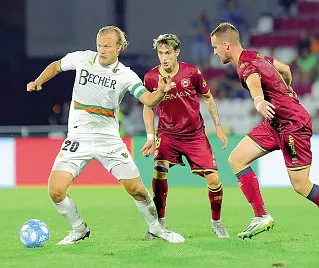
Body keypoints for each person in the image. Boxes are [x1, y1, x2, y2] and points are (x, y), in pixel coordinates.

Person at [26, 26, 185, 245]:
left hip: (108, 140)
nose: (102, 50)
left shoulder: (125, 75)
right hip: (77, 138)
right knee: (55, 191)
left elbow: (148, 100)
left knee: (136, 189)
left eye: (108, 46)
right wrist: (38, 81)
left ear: (119, 47)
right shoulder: (82, 59)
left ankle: (157, 228)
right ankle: (78, 228)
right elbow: (56, 66)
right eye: (100, 45)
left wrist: (161, 92)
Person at [210, 22, 319, 239]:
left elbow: (254, 82)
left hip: (291, 124)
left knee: (301, 185)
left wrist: (259, 101)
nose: (215, 52)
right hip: (275, 122)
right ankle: (261, 216)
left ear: (226, 45)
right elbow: (285, 69)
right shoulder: (255, 55)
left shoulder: (245, 65)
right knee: (236, 159)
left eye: (216, 47)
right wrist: (288, 90)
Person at [141, 33, 230, 239]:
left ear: (177, 52)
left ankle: (216, 222)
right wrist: (150, 136)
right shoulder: (151, 77)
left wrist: (218, 126)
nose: (164, 58)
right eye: (160, 53)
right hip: (168, 134)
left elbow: (208, 97)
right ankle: (159, 224)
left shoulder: (191, 73)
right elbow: (148, 106)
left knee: (214, 180)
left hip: (194, 135)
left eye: (168, 53)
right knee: (159, 171)